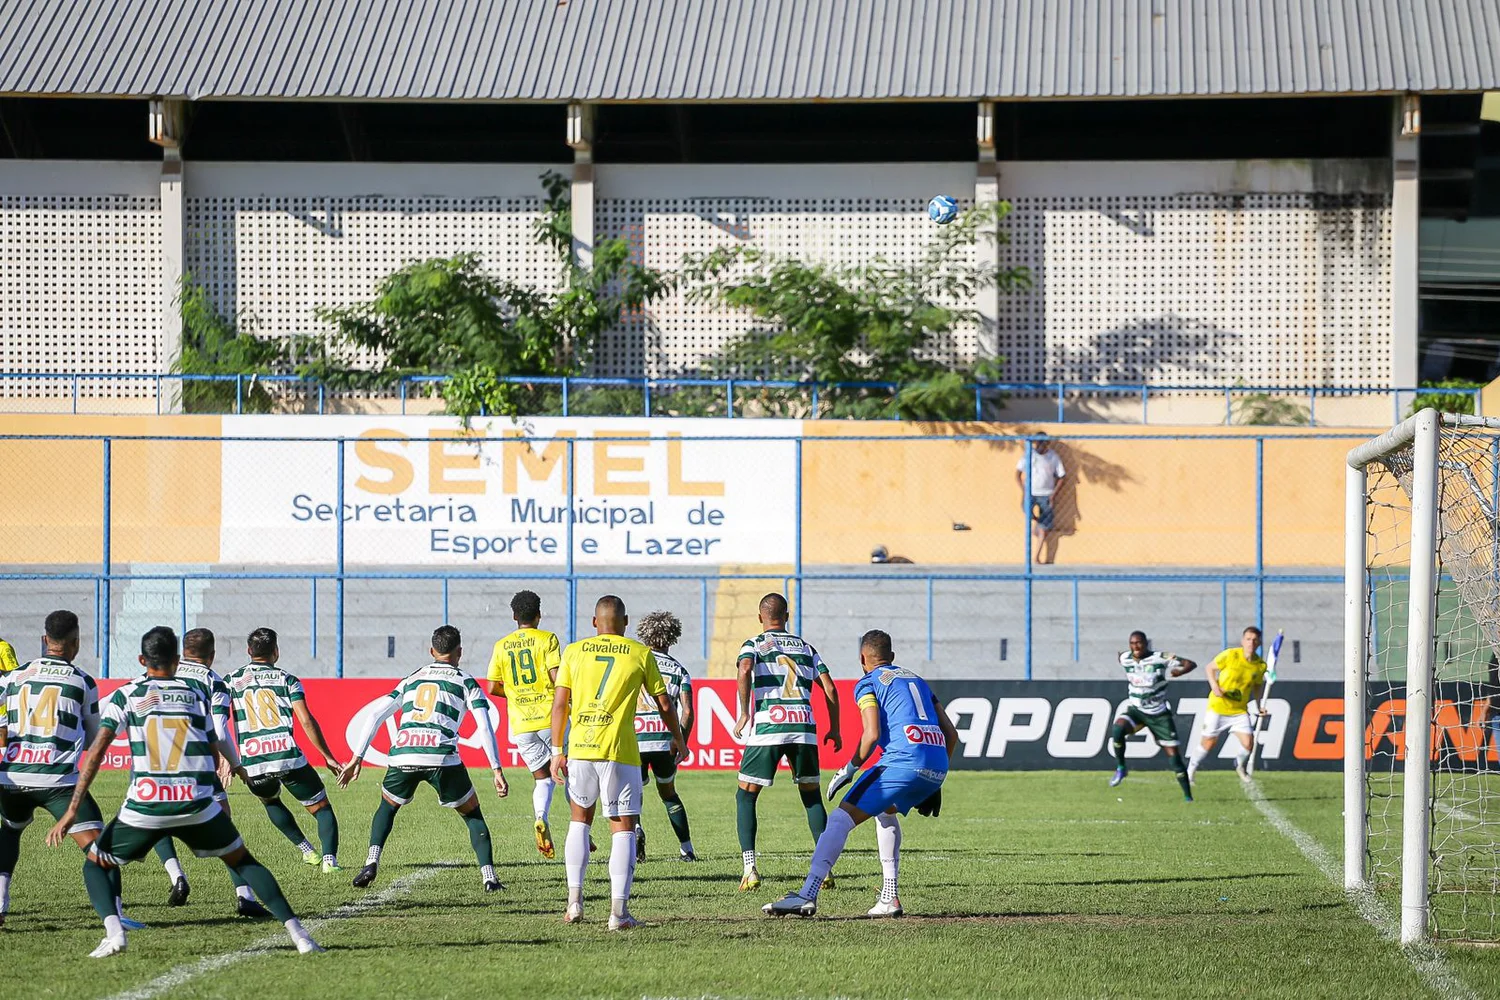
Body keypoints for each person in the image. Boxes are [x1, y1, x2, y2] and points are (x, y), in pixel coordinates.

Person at [47, 626, 322, 958]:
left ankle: (114, 933)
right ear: (177, 661)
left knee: (96, 864)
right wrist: (236, 767)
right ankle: (300, 936)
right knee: (244, 861)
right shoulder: (196, 696)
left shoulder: (128, 694)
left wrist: (73, 808)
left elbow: (96, 752)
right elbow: (217, 739)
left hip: (146, 803)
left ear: (141, 660)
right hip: (196, 801)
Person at [764, 629, 956, 918]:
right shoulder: (917, 680)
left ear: (862, 658)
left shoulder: (868, 682)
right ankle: (889, 897)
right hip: (937, 764)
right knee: (885, 812)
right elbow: (950, 733)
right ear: (891, 657)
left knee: (840, 818)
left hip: (901, 763)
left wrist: (849, 768)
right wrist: (933, 779)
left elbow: (871, 735)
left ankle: (807, 894)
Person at [550, 595, 685, 929]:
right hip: (621, 751)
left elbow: (559, 705)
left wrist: (556, 750)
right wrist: (678, 738)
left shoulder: (573, 652)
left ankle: (574, 903)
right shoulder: (640, 654)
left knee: (579, 821)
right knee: (622, 827)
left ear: (595, 623)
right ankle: (619, 914)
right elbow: (665, 702)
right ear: (625, 623)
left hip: (581, 747)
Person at [0, 611, 140, 932]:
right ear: (76, 644)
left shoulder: (13, 676)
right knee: (98, 845)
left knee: (9, 830)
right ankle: (115, 915)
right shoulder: (82, 681)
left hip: (12, 776)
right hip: (58, 779)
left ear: (44, 640)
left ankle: (0, 903)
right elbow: (93, 739)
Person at [341, 625, 508, 891]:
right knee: (472, 814)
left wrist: (357, 757)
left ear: (432, 651)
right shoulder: (465, 681)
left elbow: (375, 715)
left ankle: (371, 861)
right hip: (442, 758)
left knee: (387, 807)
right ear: (459, 652)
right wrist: (496, 769)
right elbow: (484, 726)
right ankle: (489, 878)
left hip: (404, 753)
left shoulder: (412, 678)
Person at [153, 627, 271, 918]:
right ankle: (245, 896)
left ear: (182, 653)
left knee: (154, 820)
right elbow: (219, 730)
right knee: (224, 827)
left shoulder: (161, 673)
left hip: (159, 760)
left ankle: (177, 876)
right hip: (198, 761)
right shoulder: (214, 683)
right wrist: (236, 763)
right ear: (212, 654)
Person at [733, 593, 841, 892]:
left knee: (746, 796)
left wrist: (745, 713)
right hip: (804, 727)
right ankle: (825, 869)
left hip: (770, 725)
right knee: (811, 796)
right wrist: (835, 728)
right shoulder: (806, 647)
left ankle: (750, 869)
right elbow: (830, 687)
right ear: (787, 616)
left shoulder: (754, 644)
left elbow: (744, 670)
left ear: (760, 617)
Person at [223, 627, 344, 874]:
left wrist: (226, 759)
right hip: (287, 756)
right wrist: (327, 756)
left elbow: (219, 721)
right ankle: (330, 861)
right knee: (321, 808)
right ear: (276, 652)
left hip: (253, 761)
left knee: (270, 801)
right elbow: (306, 720)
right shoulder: (287, 680)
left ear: (249, 651)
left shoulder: (230, 681)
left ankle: (307, 850)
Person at [484, 590, 563, 860]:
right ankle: (581, 827)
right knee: (571, 772)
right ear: (539, 615)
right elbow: (555, 677)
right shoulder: (547, 639)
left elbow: (493, 686)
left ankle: (541, 817)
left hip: (521, 724)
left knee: (542, 778)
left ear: (514, 616)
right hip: (550, 717)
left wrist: (517, 693)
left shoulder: (501, 645)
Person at [633, 610, 696, 863]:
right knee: (668, 793)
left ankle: (636, 830)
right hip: (664, 739)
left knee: (631, 793)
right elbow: (688, 711)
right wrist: (681, 740)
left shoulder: (634, 662)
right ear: (672, 638)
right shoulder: (680, 670)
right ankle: (687, 849)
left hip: (634, 738)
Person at [1109, 631, 1197, 802]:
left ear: (1146, 643)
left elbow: (1190, 663)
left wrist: (1180, 672)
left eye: (1139, 643)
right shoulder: (1125, 658)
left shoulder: (1160, 658)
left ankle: (1188, 797)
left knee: (1174, 757)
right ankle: (1121, 768)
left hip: (1158, 715)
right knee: (1118, 728)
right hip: (1137, 711)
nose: (1136, 647)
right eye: (1132, 643)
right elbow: (1119, 656)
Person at [1186, 626, 1268, 784]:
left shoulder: (1260, 666)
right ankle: (1190, 770)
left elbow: (1257, 687)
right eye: (1248, 639)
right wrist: (1214, 686)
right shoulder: (1231, 655)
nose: (1251, 642)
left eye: (1254, 640)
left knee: (1248, 743)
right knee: (1208, 743)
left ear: (1259, 643)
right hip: (1218, 707)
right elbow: (1209, 668)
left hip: (1239, 711)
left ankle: (1239, 765)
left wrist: (1259, 706)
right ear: (1243, 641)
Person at [1016, 433, 1066, 564]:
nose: (1039, 446)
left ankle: (1036, 557)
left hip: (1046, 494)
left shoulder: (1053, 457)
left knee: (1044, 529)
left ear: (1047, 444)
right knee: (1026, 510)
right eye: (1037, 443)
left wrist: (1053, 494)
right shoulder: (1029, 455)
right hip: (1031, 493)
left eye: (1042, 443)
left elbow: (1061, 476)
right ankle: (1037, 522)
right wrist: (1024, 490)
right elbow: (1018, 473)